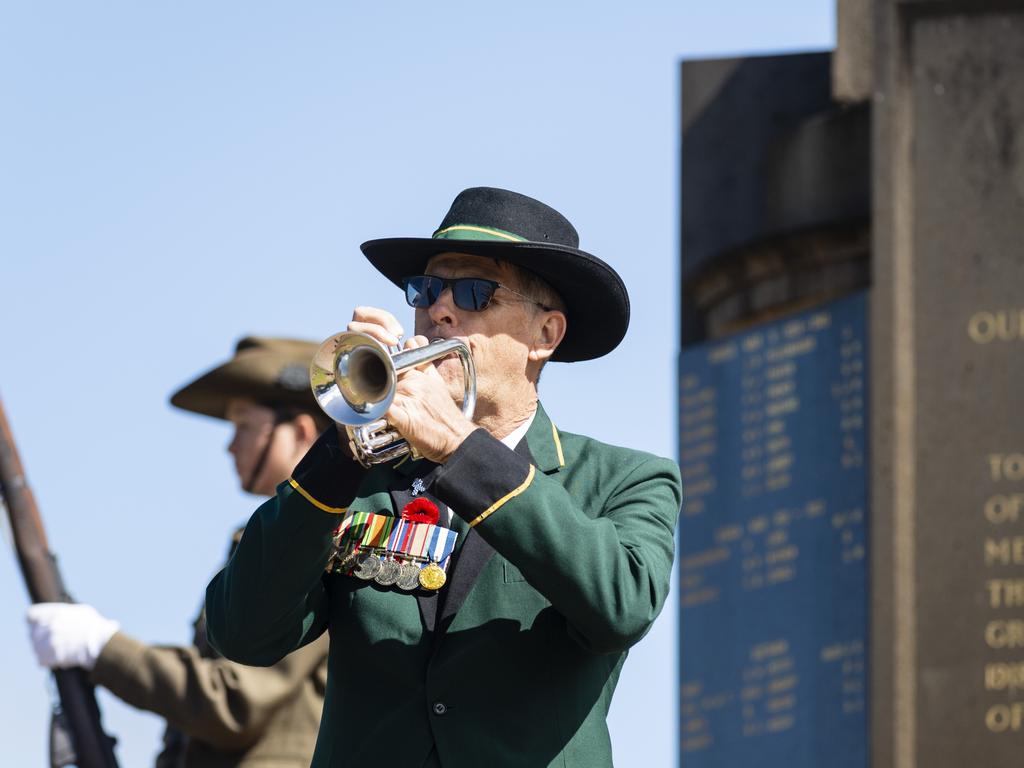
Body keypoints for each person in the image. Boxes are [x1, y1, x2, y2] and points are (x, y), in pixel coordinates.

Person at [205, 187, 683, 768]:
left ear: (545, 336)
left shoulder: (625, 478)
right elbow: (244, 632)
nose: (440, 311)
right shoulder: (365, 477)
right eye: (426, 290)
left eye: (476, 292)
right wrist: (340, 451)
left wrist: (461, 448)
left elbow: (621, 604)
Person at [26, 337, 332, 768]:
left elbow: (233, 702)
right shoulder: (262, 543)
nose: (230, 446)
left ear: (300, 431)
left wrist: (103, 649)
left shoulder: (322, 542)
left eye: (244, 425)